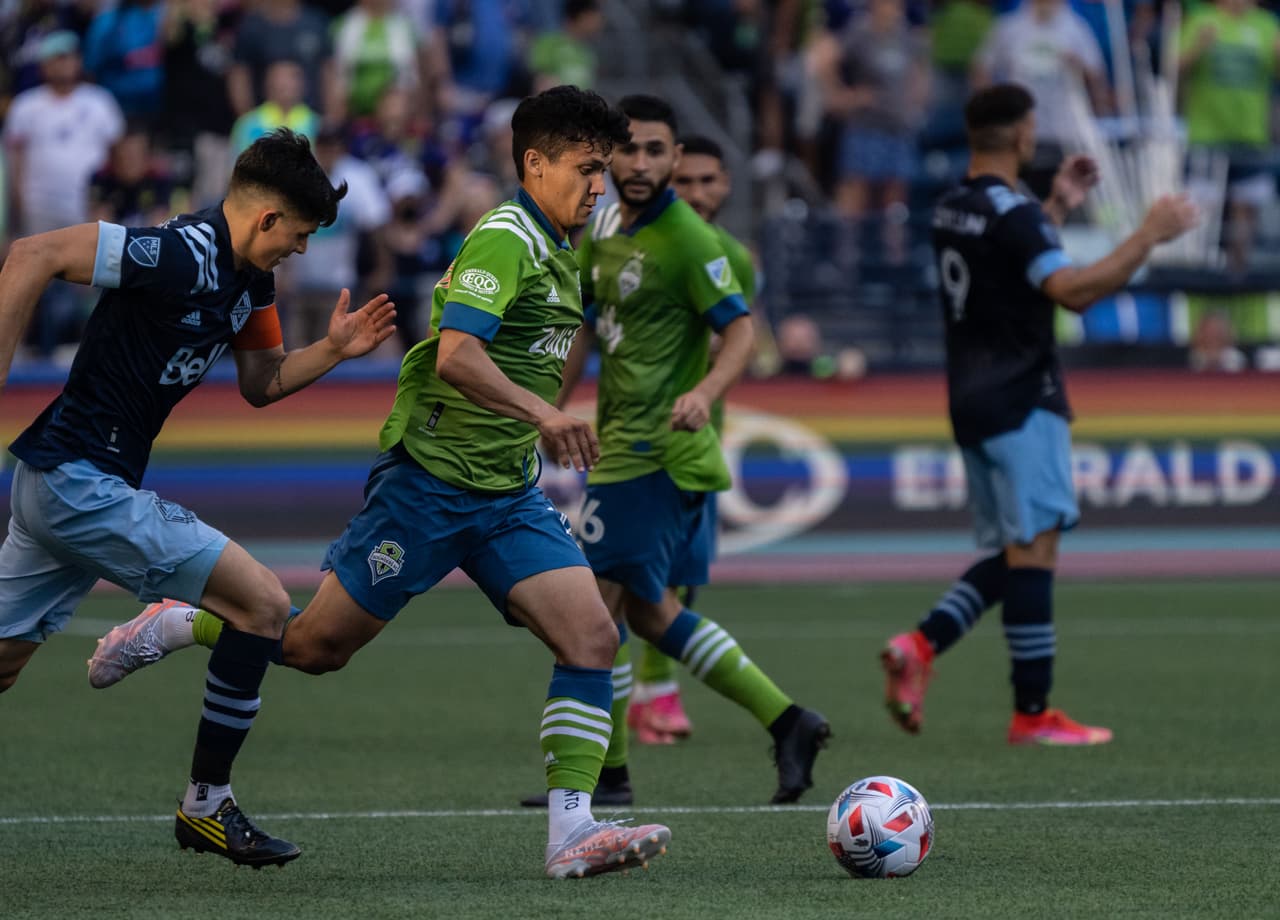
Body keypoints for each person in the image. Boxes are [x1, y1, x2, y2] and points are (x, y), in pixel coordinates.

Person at [88, 86, 672, 880]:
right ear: (535, 165)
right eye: (587, 167)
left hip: (505, 495)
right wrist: (545, 413)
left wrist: (534, 429)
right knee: (312, 647)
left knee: (592, 638)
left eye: (603, 170)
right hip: (426, 489)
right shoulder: (506, 237)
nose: (600, 185)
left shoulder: (559, 245)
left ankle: (571, 833)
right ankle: (182, 623)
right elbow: (457, 354)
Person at [0, 128, 397, 867]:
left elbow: (263, 382)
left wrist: (335, 351)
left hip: (68, 488)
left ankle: (205, 802)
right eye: (301, 235)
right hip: (78, 484)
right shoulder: (179, 252)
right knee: (266, 604)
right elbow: (33, 254)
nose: (303, 250)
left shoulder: (252, 282)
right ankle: (207, 806)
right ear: (266, 219)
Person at [523, 95, 829, 809]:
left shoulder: (690, 242)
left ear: (672, 158)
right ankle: (790, 721)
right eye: (627, 150)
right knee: (651, 615)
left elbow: (744, 332)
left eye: (655, 151)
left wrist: (707, 389)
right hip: (619, 446)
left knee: (593, 611)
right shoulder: (604, 233)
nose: (639, 164)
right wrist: (551, 406)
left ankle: (610, 777)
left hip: (657, 452)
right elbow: (589, 331)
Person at [880, 83, 1198, 745]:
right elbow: (1071, 291)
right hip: (1023, 394)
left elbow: (1006, 254)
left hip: (968, 395)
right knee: (1038, 549)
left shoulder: (954, 206)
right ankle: (1032, 713)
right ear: (1023, 134)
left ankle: (921, 644)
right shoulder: (1015, 215)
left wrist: (1055, 203)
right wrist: (1149, 234)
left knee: (1018, 549)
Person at [624, 133, 759, 746]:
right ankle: (649, 695)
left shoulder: (737, 257)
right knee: (635, 579)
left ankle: (654, 692)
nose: (700, 193)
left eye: (711, 181)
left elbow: (735, 339)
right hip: (637, 437)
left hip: (700, 432)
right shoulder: (641, 246)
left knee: (683, 573)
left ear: (727, 185)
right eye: (690, 182)